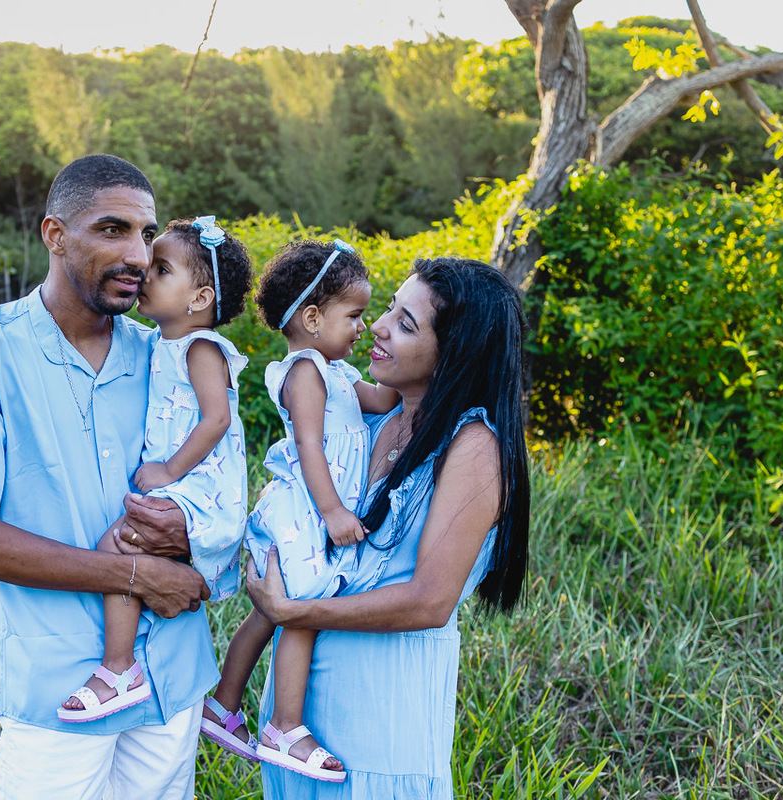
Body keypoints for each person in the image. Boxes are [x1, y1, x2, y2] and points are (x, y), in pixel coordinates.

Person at [0, 154, 219, 800]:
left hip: (170, 679)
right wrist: (136, 574)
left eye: (147, 233)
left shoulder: (170, 359)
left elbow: (215, 492)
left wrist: (193, 543)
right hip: (57, 695)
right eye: (112, 230)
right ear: (54, 235)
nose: (137, 253)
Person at [244, 256, 530, 799]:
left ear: (455, 349)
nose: (377, 325)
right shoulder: (371, 418)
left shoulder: (473, 446)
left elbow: (429, 601)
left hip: (381, 728)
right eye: (390, 309)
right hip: (301, 725)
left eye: (405, 323)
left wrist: (293, 611)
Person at [199, 240, 398, 782]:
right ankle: (285, 727)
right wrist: (333, 511)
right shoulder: (305, 371)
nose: (365, 326)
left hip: (308, 513)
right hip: (303, 510)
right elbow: (310, 445)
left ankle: (222, 706)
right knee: (303, 612)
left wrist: (425, 370)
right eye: (354, 315)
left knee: (270, 611)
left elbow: (382, 400)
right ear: (312, 318)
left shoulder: (335, 372)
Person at [59, 215, 253, 723]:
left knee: (116, 546)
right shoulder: (162, 343)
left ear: (200, 299)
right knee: (128, 548)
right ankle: (128, 659)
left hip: (199, 485)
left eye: (161, 269)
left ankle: (119, 669)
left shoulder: (201, 348)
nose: (144, 272)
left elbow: (217, 419)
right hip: (185, 482)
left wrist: (169, 468)